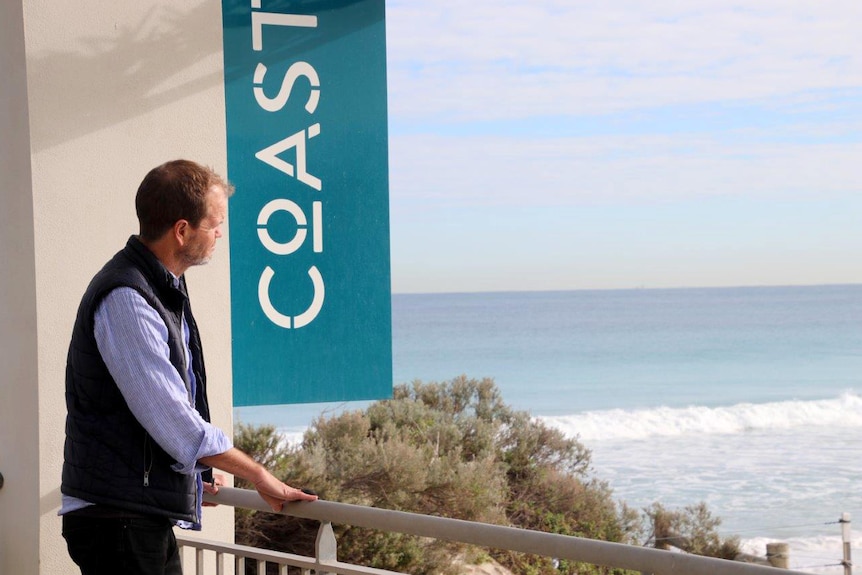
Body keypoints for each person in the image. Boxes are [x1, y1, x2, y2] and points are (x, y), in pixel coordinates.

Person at [60, 159, 317, 575]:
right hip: (119, 519)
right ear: (181, 230)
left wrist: (193, 474)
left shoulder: (160, 287)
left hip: (131, 513)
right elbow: (172, 418)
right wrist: (257, 474)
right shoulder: (128, 298)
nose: (219, 233)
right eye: (214, 223)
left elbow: (156, 415)